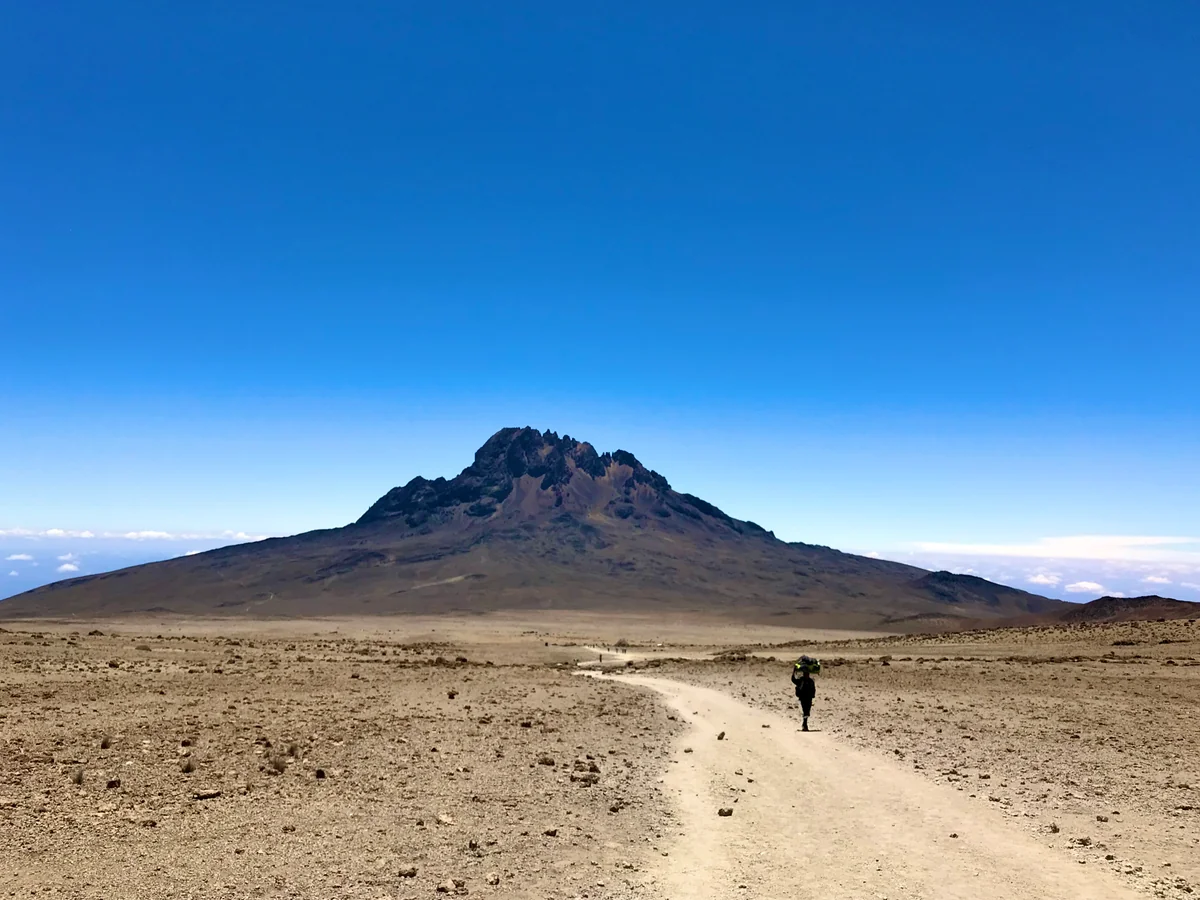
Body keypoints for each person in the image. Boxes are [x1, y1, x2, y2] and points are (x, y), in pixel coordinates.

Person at [791, 666, 816, 731]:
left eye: (807, 674)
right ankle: (805, 724)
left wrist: (813, 695)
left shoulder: (811, 681)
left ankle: (804, 723)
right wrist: (794, 671)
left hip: (809, 698)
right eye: (805, 674)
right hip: (803, 698)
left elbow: (813, 689)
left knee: (807, 712)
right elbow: (793, 680)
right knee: (805, 711)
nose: (807, 675)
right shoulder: (801, 680)